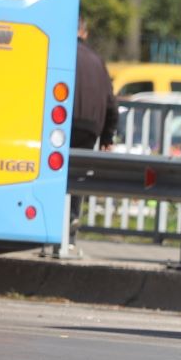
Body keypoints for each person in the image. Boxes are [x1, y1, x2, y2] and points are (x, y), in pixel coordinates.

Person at [68, 18, 118, 245]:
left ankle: (52, 226)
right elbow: (111, 103)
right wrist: (107, 136)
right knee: (77, 178)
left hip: (61, 124)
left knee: (55, 174)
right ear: (85, 34)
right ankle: (71, 226)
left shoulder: (59, 50)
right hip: (90, 127)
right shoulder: (98, 60)